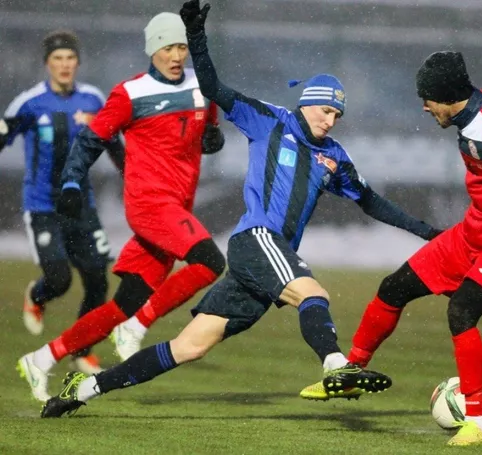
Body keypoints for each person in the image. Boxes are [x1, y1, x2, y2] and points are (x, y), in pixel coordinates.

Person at [39, 0, 444, 418]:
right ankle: (336, 365)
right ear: (307, 103)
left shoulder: (335, 157)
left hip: (265, 260)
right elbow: (213, 87)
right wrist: (196, 37)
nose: (330, 120)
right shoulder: (270, 120)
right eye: (326, 110)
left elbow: (371, 201)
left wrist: (428, 232)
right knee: (314, 293)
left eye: (337, 115)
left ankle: (85, 387)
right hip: (257, 240)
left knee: (189, 346)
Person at [301, 51, 482, 446]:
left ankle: (476, 423)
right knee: (394, 288)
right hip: (473, 232)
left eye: (428, 99)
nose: (425, 107)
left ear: (449, 97)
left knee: (462, 311)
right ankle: (350, 374)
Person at [17, 12, 226, 403]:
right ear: (152, 50)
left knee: (124, 302)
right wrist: (72, 181)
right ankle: (138, 325)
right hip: (149, 204)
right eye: (168, 47)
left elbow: (208, 128)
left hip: (178, 207)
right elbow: (90, 141)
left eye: (181, 47)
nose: (176, 55)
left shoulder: (202, 86)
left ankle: (42, 358)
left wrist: (212, 138)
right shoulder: (130, 93)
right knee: (210, 262)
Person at [1, 30, 125, 375]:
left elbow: (113, 144)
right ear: (47, 64)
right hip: (42, 205)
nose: (65, 64)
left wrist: (132, 175)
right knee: (59, 280)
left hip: (82, 205)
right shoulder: (29, 103)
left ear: (78, 62)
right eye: (58, 58)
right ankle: (37, 296)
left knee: (98, 281)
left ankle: (82, 350)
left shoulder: (93, 99)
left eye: (70, 58)